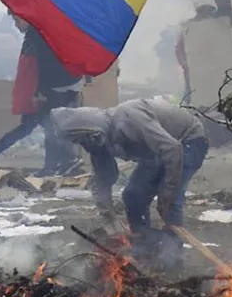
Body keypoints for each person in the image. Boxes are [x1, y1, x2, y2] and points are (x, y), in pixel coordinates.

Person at [51, 99, 208, 263]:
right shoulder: (98, 141)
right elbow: (102, 181)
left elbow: (173, 149)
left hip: (188, 141)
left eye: (83, 139)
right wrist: (111, 221)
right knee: (133, 196)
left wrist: (166, 195)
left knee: (171, 203)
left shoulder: (130, 118)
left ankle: (172, 258)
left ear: (91, 130)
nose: (86, 144)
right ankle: (146, 251)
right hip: (156, 153)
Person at [0, 11, 82, 176]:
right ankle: (64, 162)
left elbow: (45, 65)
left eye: (16, 20)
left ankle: (61, 163)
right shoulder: (36, 34)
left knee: (50, 127)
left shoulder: (40, 35)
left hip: (56, 88)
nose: (16, 24)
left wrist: (40, 92)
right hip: (57, 87)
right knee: (46, 127)